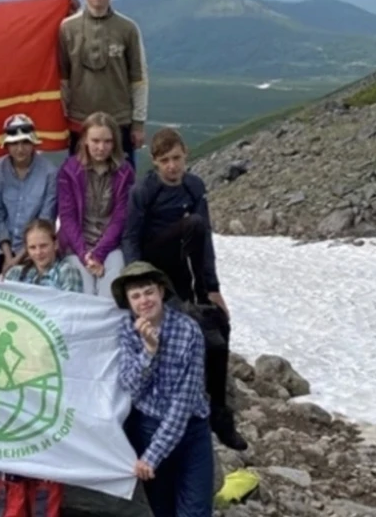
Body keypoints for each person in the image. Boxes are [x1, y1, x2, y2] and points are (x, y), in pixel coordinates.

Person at [121, 127, 247, 451]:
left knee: (218, 330)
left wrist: (214, 290)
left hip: (185, 270)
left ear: (185, 155)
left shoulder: (194, 187)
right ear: (155, 162)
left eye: (176, 158)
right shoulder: (145, 191)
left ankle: (220, 413)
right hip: (153, 267)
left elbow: (204, 244)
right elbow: (131, 237)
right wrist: (137, 282)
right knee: (193, 224)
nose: (172, 166)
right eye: (164, 161)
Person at [0, 219, 81, 517]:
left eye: (44, 245)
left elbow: (69, 314)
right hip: (18, 370)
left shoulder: (68, 270)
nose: (39, 252)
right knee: (13, 443)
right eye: (33, 247)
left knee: (45, 445)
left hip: (51, 367)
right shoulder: (17, 272)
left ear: (55, 244)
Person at [113, 261, 215, 517]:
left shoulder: (188, 330)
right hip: (148, 426)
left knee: (195, 510)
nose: (143, 301)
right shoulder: (127, 330)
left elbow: (184, 402)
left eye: (148, 292)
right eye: (135, 296)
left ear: (160, 292)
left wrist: (151, 457)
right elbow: (130, 386)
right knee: (162, 510)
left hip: (191, 431)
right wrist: (149, 351)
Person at [58, 0, 149, 169]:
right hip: (80, 122)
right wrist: (62, 120)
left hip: (120, 123)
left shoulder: (128, 28)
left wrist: (138, 123)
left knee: (122, 182)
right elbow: (63, 80)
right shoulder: (66, 29)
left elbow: (138, 79)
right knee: (79, 182)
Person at [57, 111, 134, 299]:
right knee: (84, 293)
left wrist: (99, 253)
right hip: (76, 245)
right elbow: (67, 217)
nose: (101, 147)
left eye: (107, 141)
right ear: (85, 140)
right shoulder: (69, 170)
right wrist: (85, 254)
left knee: (110, 293)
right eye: (95, 141)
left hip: (112, 245)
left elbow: (120, 217)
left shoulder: (125, 172)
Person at [0, 114, 58, 276]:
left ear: (33, 144)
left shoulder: (50, 172)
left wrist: (19, 259)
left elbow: (46, 218)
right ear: (7, 145)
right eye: (14, 143)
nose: (20, 148)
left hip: (36, 248)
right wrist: (8, 257)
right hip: (0, 247)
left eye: (25, 142)